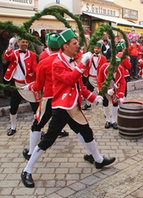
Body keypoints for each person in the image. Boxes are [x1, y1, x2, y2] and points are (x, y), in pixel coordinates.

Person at [21, 29, 116, 188]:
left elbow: (80, 86)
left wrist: (94, 97)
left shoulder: (72, 61)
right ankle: (27, 170)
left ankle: (98, 160)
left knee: (87, 132)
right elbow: (70, 79)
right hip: (61, 107)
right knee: (48, 139)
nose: (78, 46)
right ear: (65, 46)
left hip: (74, 107)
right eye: (74, 43)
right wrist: (82, 63)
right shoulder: (58, 63)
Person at [20, 33, 69, 161]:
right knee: (81, 128)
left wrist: (28, 87)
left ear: (47, 45)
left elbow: (38, 86)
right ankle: (94, 155)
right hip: (66, 99)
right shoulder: (67, 60)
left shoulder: (44, 61)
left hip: (49, 98)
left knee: (37, 125)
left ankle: (31, 152)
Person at [3, 36, 39, 136]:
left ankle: (38, 128)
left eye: (26, 42)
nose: (25, 44)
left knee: (35, 106)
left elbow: (34, 67)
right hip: (16, 84)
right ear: (18, 43)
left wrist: (41, 73)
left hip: (29, 84)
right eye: (23, 42)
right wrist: (10, 46)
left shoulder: (31, 54)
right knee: (13, 106)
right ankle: (13, 127)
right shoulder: (13, 53)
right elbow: (6, 57)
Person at [97, 58, 126, 129]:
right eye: (114, 67)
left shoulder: (121, 69)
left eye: (117, 67)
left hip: (115, 89)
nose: (115, 69)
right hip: (105, 88)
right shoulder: (103, 68)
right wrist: (106, 90)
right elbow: (99, 81)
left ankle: (113, 121)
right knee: (105, 103)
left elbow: (122, 82)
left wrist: (121, 95)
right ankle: (108, 120)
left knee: (115, 103)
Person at [82, 41, 107, 110]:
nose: (96, 49)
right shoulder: (90, 56)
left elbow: (104, 68)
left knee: (102, 92)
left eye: (98, 48)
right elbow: (86, 65)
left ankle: (105, 107)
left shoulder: (103, 58)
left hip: (99, 78)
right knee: (88, 91)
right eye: (95, 48)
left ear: (100, 49)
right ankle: (88, 104)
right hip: (90, 77)